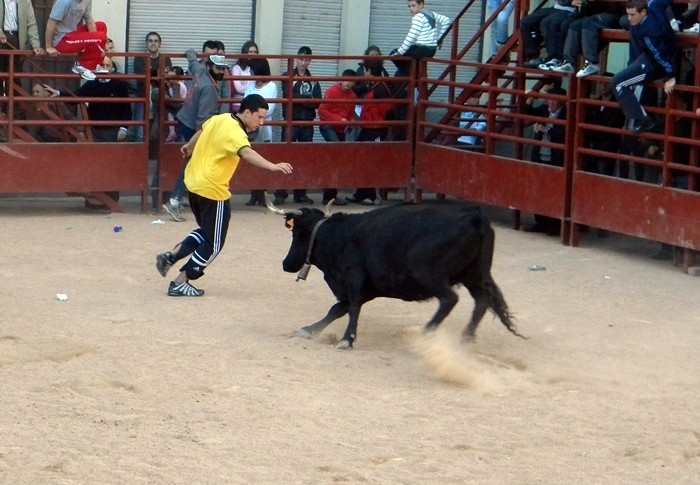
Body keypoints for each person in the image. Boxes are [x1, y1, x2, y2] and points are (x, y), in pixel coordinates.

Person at [155, 94, 293, 297]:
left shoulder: (219, 118)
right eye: (259, 117)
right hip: (213, 190)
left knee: (206, 232)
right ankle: (180, 281)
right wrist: (273, 167)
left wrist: (190, 146)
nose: (261, 123)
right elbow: (247, 153)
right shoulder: (236, 133)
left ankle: (171, 256)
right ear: (247, 113)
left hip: (193, 184)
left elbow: (201, 131)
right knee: (215, 243)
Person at [162, 50, 229, 222]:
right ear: (210, 66)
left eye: (223, 68)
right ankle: (174, 200)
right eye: (219, 68)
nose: (222, 71)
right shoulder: (210, 89)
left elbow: (192, 60)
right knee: (191, 165)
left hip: (185, 120)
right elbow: (203, 120)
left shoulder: (200, 71)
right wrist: (200, 140)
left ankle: (181, 196)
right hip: (194, 128)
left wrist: (190, 53)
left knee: (191, 164)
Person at [611, 0, 677, 135]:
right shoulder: (653, 5)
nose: (629, 18)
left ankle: (642, 119)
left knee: (617, 83)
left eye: (633, 15)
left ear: (643, 12)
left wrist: (671, 75)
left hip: (654, 65)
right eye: (628, 14)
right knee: (627, 73)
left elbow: (660, 56)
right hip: (649, 56)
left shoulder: (649, 33)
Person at [274, 46, 322, 206]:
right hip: (291, 122)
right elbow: (289, 96)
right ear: (296, 59)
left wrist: (301, 100)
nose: (304, 62)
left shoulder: (313, 79)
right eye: (302, 59)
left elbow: (317, 102)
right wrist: (306, 99)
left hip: (307, 123)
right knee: (285, 157)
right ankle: (280, 193)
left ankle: (300, 193)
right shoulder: (287, 76)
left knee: (304, 158)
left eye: (307, 59)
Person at [346, 65, 394, 206]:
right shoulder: (373, 86)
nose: (363, 72)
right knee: (361, 159)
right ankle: (361, 193)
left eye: (365, 70)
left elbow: (387, 111)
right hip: (368, 128)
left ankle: (373, 196)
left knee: (370, 162)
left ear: (370, 71)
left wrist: (386, 128)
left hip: (377, 130)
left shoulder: (380, 88)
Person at [522, 86, 568, 236]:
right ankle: (540, 223)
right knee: (539, 191)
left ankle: (554, 226)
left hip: (556, 158)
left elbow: (566, 135)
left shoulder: (567, 114)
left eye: (554, 99)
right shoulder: (543, 110)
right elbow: (526, 112)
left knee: (554, 193)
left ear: (561, 101)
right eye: (549, 98)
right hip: (540, 155)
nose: (551, 102)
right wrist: (529, 98)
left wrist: (547, 129)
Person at [548, 3, 625, 77]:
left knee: (589, 23)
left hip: (619, 14)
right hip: (598, 12)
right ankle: (568, 62)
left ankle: (592, 63)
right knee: (574, 25)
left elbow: (618, 6)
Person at [318, 69, 358, 205]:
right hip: (328, 126)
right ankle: (329, 196)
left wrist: (351, 121)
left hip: (340, 129)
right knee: (336, 153)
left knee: (335, 160)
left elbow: (351, 113)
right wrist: (339, 119)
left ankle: (330, 196)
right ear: (341, 80)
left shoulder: (352, 96)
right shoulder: (332, 91)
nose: (348, 83)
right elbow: (322, 111)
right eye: (346, 79)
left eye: (351, 81)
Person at [44, 0, 108, 81]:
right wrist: (48, 46)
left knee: (101, 26)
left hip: (73, 35)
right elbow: (51, 22)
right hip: (62, 40)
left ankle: (96, 65)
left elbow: (89, 21)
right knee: (100, 36)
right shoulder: (63, 2)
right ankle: (82, 65)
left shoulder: (87, 1)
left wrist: (97, 44)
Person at [243, 57, 277, 207]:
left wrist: (254, 115)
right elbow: (245, 103)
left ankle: (262, 193)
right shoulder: (251, 84)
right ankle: (253, 194)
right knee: (250, 161)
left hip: (263, 128)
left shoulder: (271, 86)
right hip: (248, 128)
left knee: (262, 160)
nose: (250, 72)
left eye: (252, 70)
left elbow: (270, 109)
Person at [391, 0, 451, 77]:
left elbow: (411, 37)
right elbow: (446, 21)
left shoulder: (418, 17)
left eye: (413, 5)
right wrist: (439, 39)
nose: (411, 9)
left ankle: (413, 75)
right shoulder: (431, 13)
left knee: (393, 54)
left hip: (421, 50)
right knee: (412, 62)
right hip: (432, 50)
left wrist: (399, 52)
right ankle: (414, 74)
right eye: (409, 6)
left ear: (421, 4)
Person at [0, 0, 45, 96]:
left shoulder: (25, 1)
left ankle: (14, 108)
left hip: (17, 39)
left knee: (15, 75)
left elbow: (31, 23)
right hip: (2, 37)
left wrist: (35, 45)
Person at [520, 0, 580, 68]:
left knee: (546, 23)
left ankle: (554, 57)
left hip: (570, 10)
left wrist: (570, 2)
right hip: (556, 7)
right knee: (525, 22)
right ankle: (533, 56)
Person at [130, 31, 162, 143]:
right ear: (146, 44)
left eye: (156, 41)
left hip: (160, 99)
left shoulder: (165, 58)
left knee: (160, 131)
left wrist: (151, 73)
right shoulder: (139, 58)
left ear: (160, 44)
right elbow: (141, 77)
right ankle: (139, 159)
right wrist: (157, 74)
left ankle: (155, 158)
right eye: (150, 41)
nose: (153, 43)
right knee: (140, 132)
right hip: (143, 98)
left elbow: (166, 77)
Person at [231, 40, 258, 114]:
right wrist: (254, 89)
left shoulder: (257, 68)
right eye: (250, 52)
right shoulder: (237, 68)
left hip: (253, 103)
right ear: (245, 52)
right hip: (239, 104)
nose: (253, 54)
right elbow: (239, 89)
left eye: (255, 52)